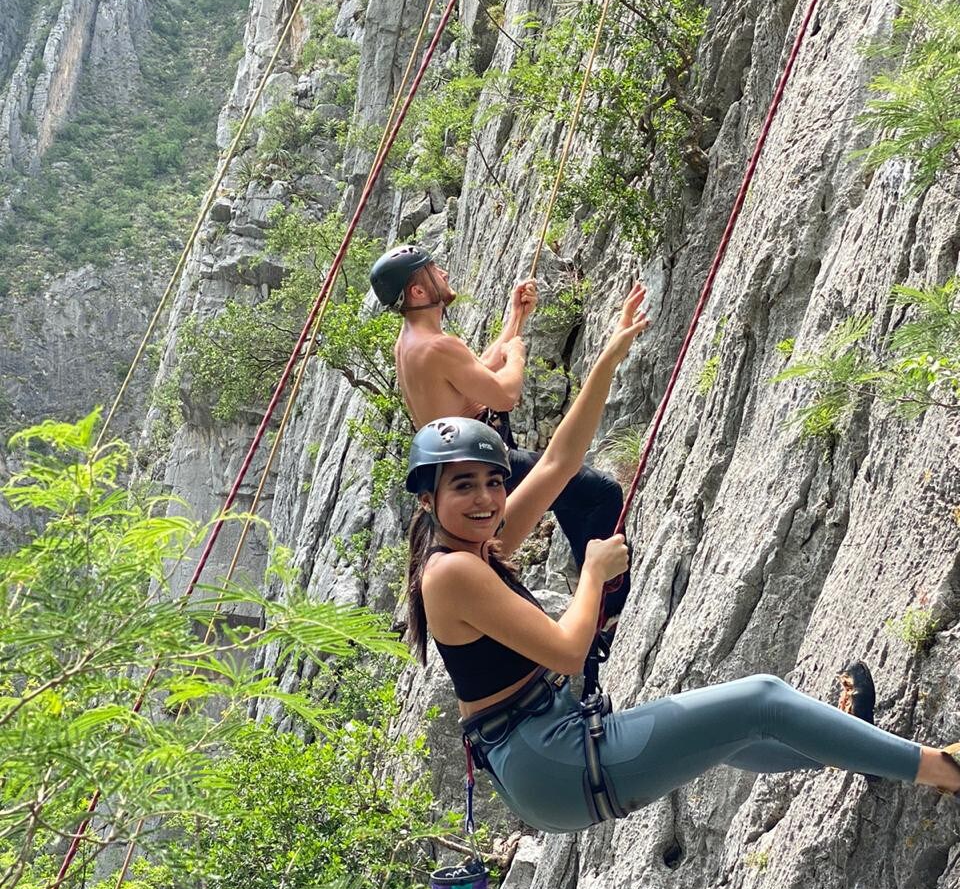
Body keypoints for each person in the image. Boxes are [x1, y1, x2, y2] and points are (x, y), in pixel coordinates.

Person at [404, 285, 960, 833]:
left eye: (493, 482)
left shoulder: (476, 545)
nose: (484, 499)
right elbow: (571, 653)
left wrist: (607, 359)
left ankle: (861, 748)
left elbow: (557, 462)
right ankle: (943, 768)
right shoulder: (452, 571)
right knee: (761, 700)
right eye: (464, 486)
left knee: (729, 734)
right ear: (429, 499)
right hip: (550, 759)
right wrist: (593, 575)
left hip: (545, 754)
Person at [370, 243, 630, 626]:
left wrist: (515, 320)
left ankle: (593, 593)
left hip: (462, 466)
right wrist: (519, 355)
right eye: (433, 270)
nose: (443, 273)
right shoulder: (438, 345)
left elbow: (475, 372)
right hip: (486, 465)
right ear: (418, 292)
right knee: (600, 494)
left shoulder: (410, 343)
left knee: (568, 494)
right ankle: (608, 607)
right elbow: (504, 393)